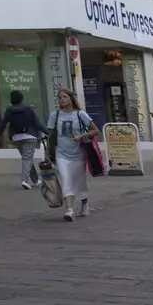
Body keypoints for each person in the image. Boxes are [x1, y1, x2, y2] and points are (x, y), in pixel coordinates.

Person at [47, 87, 99, 222]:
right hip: (61, 153)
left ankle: (84, 202)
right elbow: (51, 136)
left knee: (79, 181)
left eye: (65, 97)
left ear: (71, 98)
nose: (62, 100)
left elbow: (95, 130)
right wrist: (48, 154)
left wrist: (82, 135)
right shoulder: (55, 115)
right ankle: (69, 209)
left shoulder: (80, 114)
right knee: (65, 179)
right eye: (60, 97)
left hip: (79, 153)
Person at [0, 90, 45, 189]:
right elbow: (38, 124)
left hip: (16, 137)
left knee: (27, 158)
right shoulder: (30, 109)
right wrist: (48, 132)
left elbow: (4, 123)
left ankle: (35, 180)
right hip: (30, 136)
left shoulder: (9, 110)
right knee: (27, 158)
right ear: (22, 98)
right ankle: (25, 180)